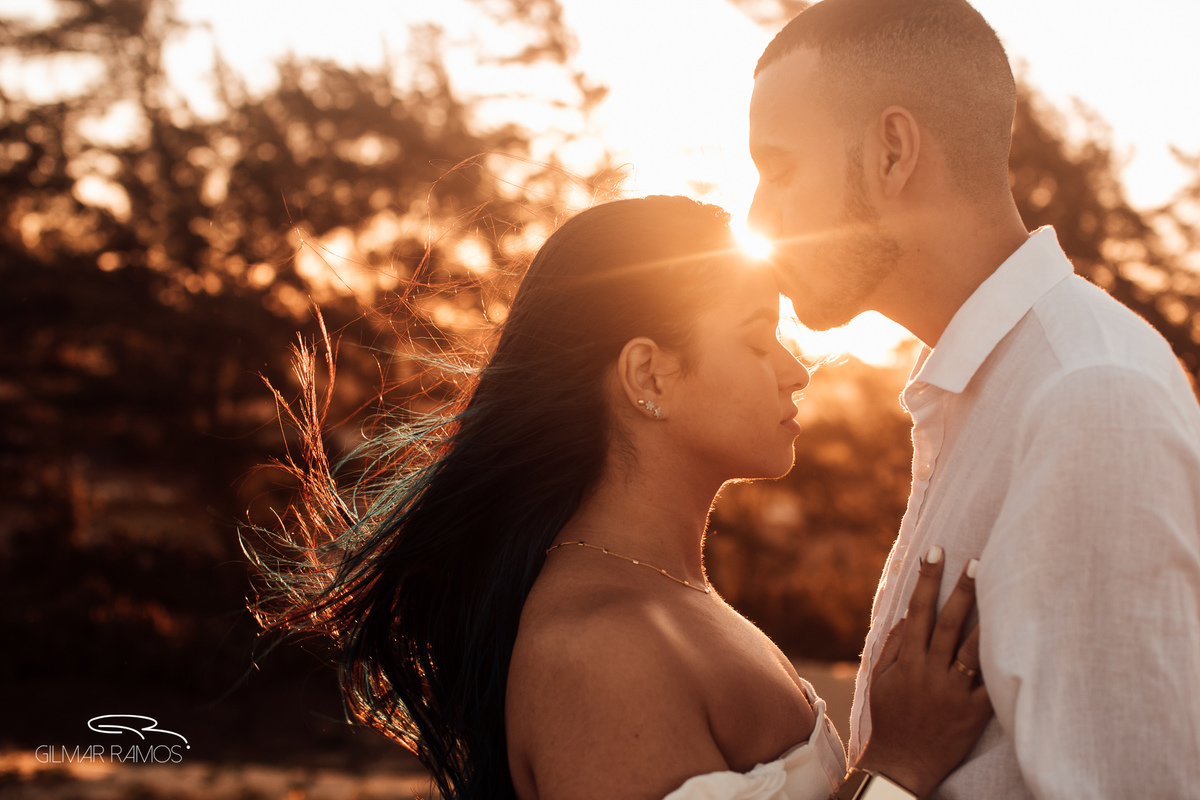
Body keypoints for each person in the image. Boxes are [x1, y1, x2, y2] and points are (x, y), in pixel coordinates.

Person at [247, 195, 991, 800]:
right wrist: (901, 767)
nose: (795, 372)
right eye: (757, 338)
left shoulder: (663, 598)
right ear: (649, 377)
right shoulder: (596, 653)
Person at [746, 0, 1200, 797]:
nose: (758, 214)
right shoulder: (976, 393)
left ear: (892, 150)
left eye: (779, 167)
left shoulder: (1090, 399)